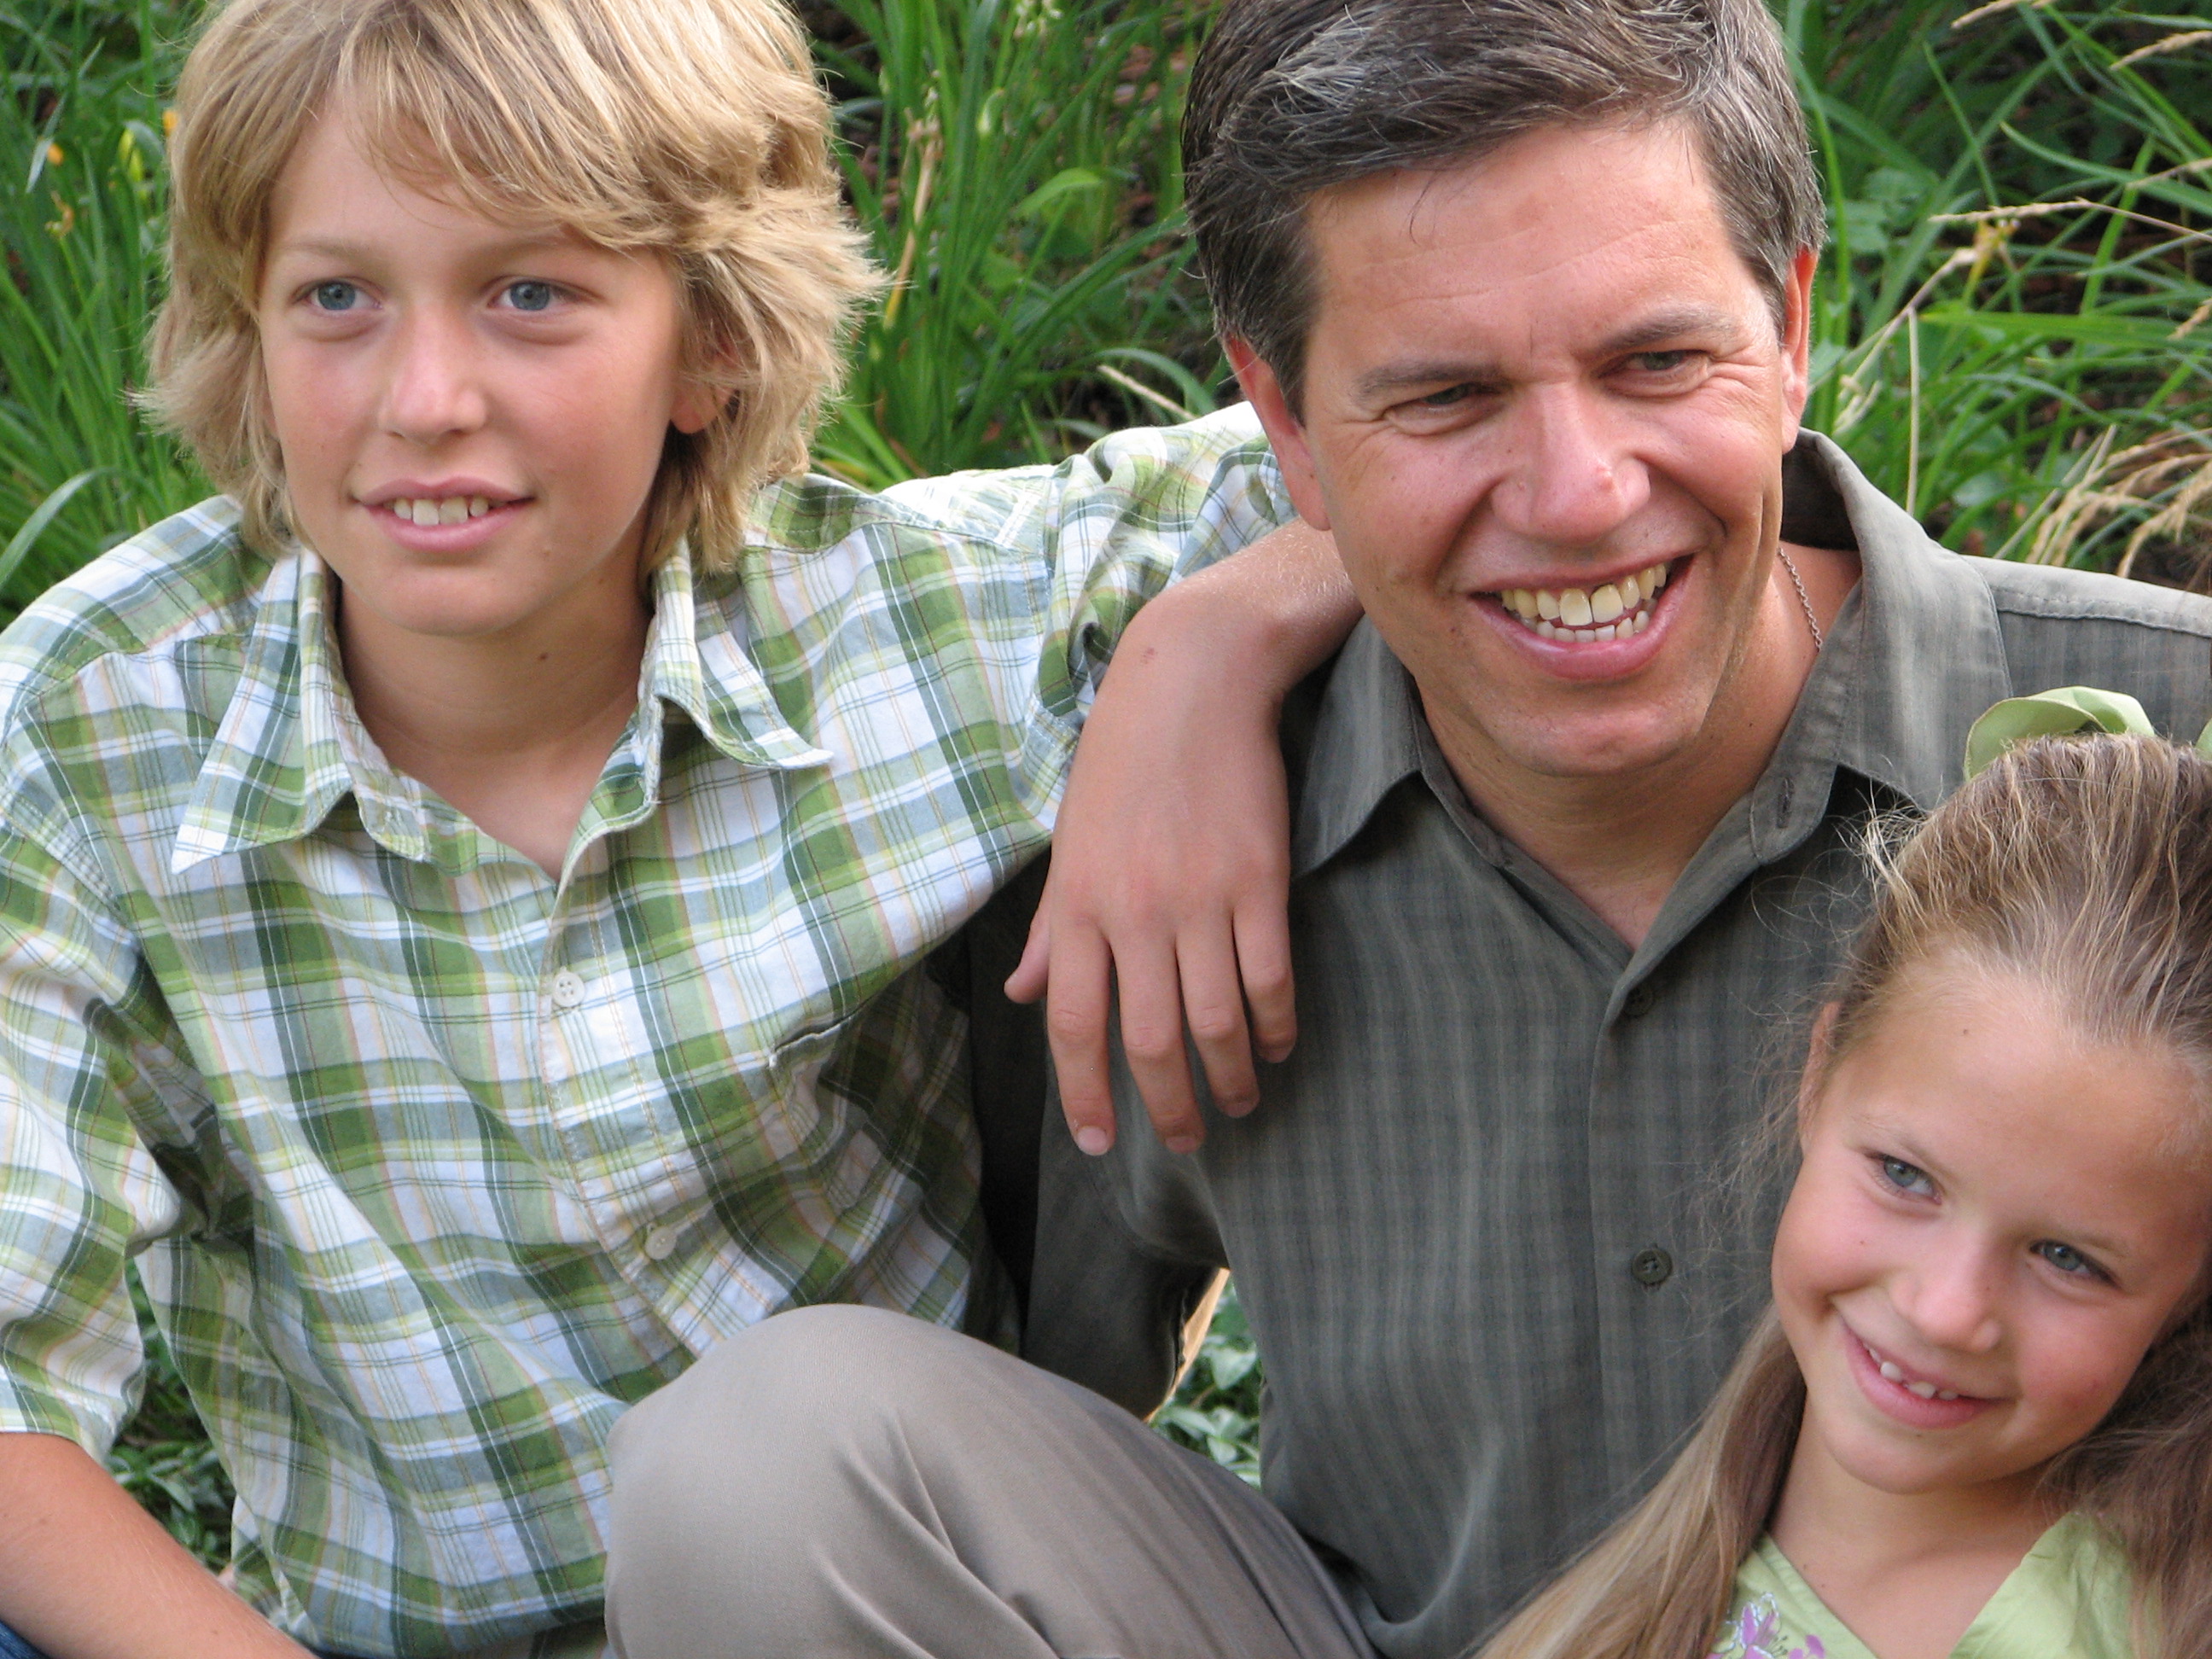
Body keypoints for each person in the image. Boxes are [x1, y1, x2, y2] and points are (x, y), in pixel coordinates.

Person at [597, 0, 2212, 1655]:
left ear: (1791, 322)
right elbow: (1032, 1393)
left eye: (1658, 360)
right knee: (759, 1463)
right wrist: (1189, 654)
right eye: (1443, 398)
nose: (1581, 491)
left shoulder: (2168, 791)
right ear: (1283, 424)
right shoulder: (1189, 840)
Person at [0, 0, 1353, 1654]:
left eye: (532, 294)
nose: (425, 399)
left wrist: (1211, 640)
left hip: (863, 1596)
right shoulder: (93, 728)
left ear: (710, 338)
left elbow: (1432, 451)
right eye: (337, 297)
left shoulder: (902, 634)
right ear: (247, 324)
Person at [1484, 729, 2212, 1659]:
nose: (1947, 1311)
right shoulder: (1736, 1499)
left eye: (2069, 1258)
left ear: (2195, 1283)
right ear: (1819, 1075)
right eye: (1906, 1177)